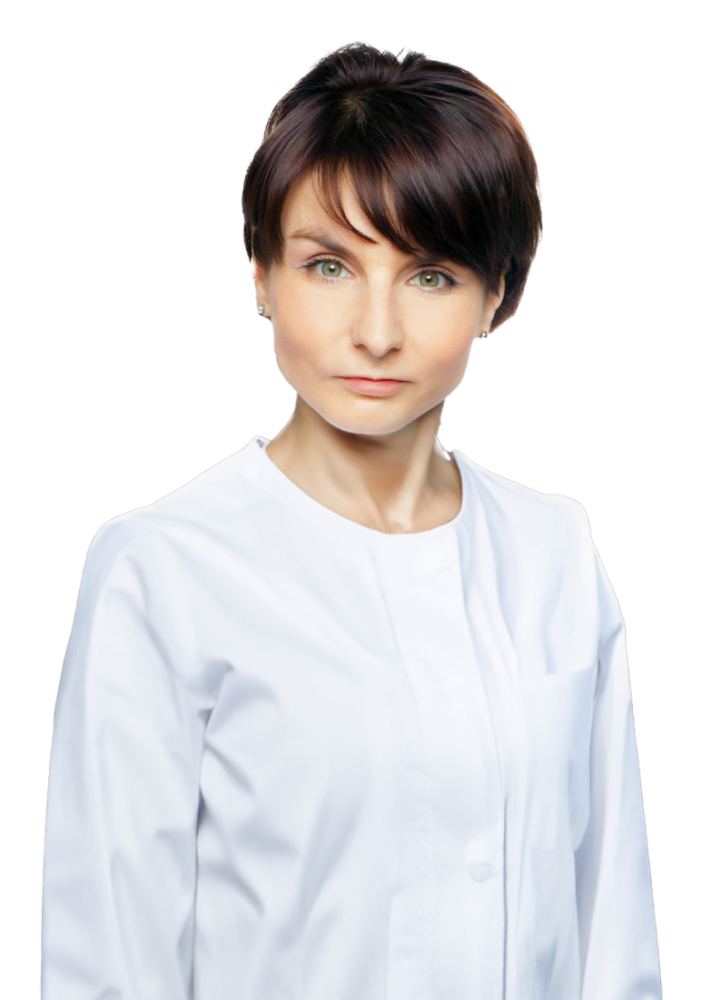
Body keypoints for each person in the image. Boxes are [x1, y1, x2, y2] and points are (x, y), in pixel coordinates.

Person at [40, 40, 662, 999]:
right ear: (259, 273)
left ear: (497, 295)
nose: (376, 332)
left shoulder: (554, 551)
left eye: (430, 275)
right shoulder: (162, 567)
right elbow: (111, 964)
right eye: (328, 266)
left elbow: (611, 931)